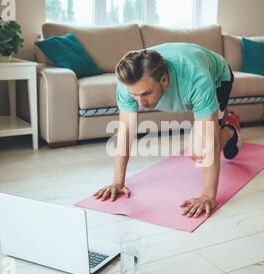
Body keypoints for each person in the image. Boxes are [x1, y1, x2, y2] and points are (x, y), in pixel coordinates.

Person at [93, 42, 242, 218]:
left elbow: (210, 143)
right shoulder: (128, 84)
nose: (140, 103)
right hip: (188, 70)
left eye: (146, 94)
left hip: (218, 79)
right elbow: (125, 133)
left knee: (200, 151)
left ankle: (231, 126)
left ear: (164, 80)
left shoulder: (196, 79)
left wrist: (207, 196)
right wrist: (117, 182)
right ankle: (226, 125)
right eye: (135, 95)